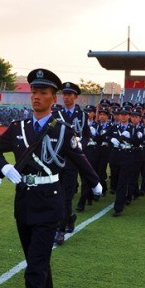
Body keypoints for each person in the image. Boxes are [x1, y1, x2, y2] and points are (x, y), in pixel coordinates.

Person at [0, 68, 102, 288]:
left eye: (43, 93)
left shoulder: (62, 129)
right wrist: (3, 167)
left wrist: (95, 183)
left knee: (35, 266)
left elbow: (79, 158)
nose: (37, 97)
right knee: (34, 257)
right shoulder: (18, 128)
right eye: (34, 92)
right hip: (23, 201)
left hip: (49, 201)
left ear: (53, 98)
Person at [52, 82, 90, 245]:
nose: (66, 97)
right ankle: (70, 216)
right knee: (56, 195)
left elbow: (87, 134)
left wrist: (83, 144)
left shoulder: (82, 115)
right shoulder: (56, 114)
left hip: (72, 161)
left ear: (76, 97)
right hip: (56, 159)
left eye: (70, 94)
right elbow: (50, 132)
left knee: (66, 196)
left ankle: (60, 231)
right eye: (64, 94)